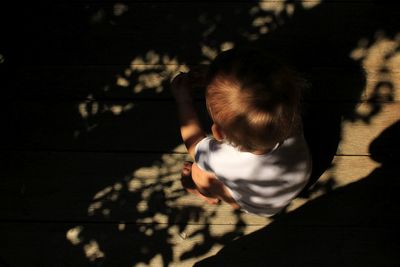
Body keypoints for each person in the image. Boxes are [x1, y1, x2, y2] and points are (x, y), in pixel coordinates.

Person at [171, 47, 312, 217]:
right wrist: (214, 80)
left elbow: (194, 145)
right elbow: (250, 94)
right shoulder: (288, 116)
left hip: (259, 205)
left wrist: (183, 101)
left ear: (219, 133)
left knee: (198, 172)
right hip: (295, 183)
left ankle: (205, 194)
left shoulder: (223, 158)